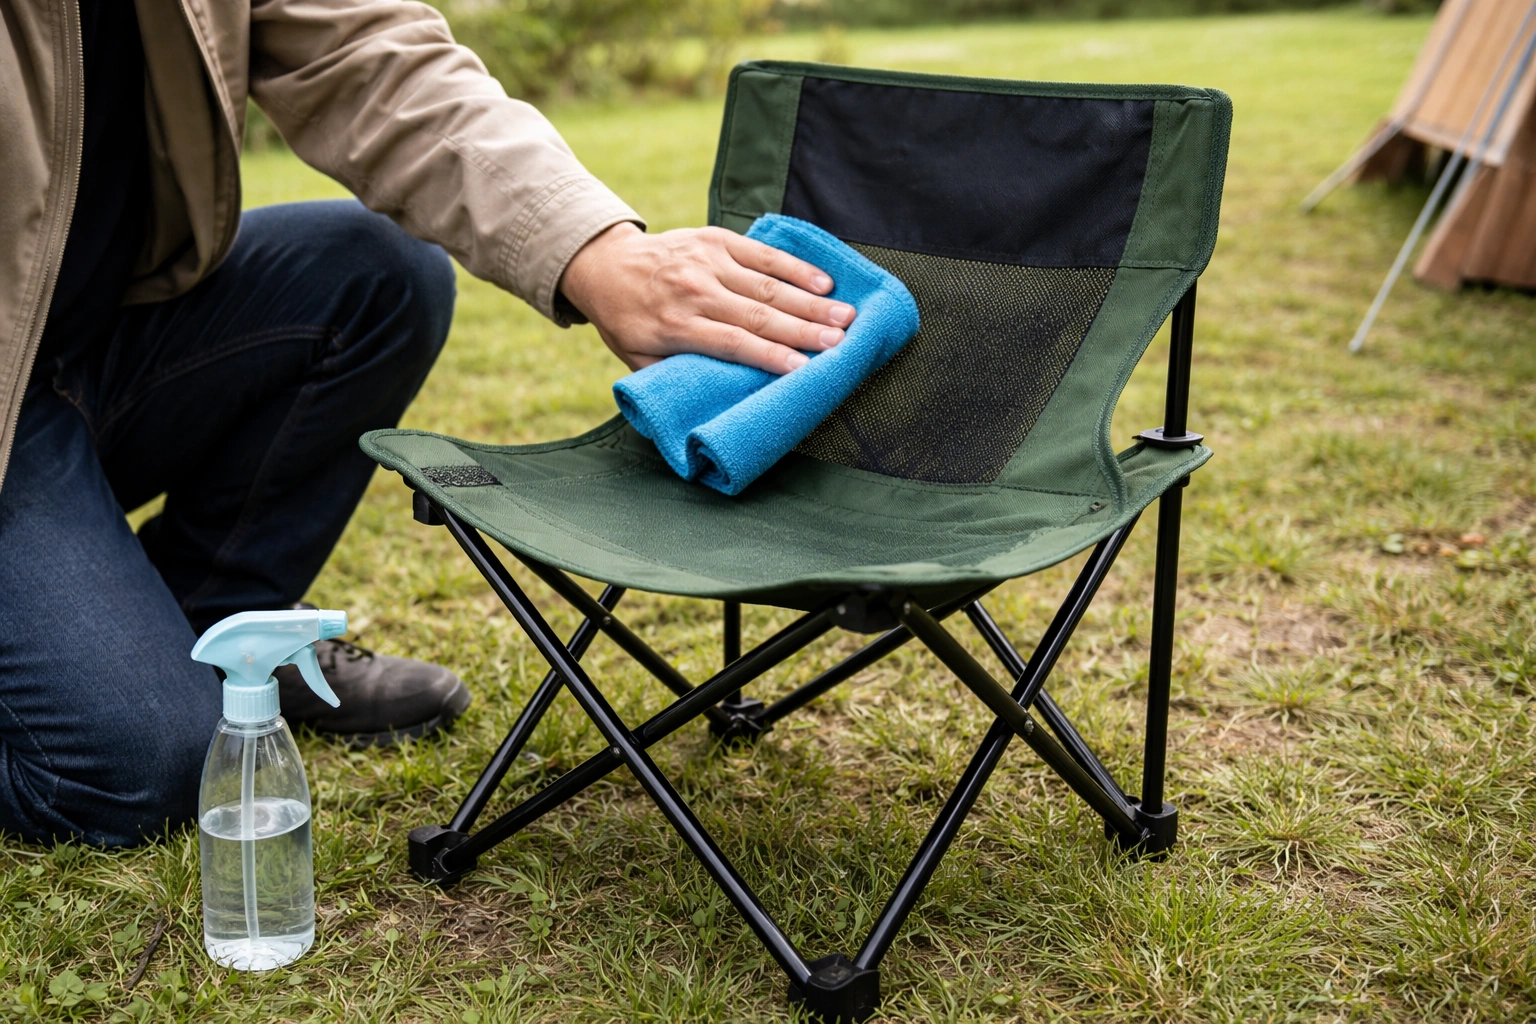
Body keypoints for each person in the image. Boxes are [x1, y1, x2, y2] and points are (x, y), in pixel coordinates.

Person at [0, 0, 858, 848]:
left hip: (89, 340)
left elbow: (371, 54)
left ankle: (223, 635)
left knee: (379, 276)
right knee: (133, 770)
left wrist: (601, 254)